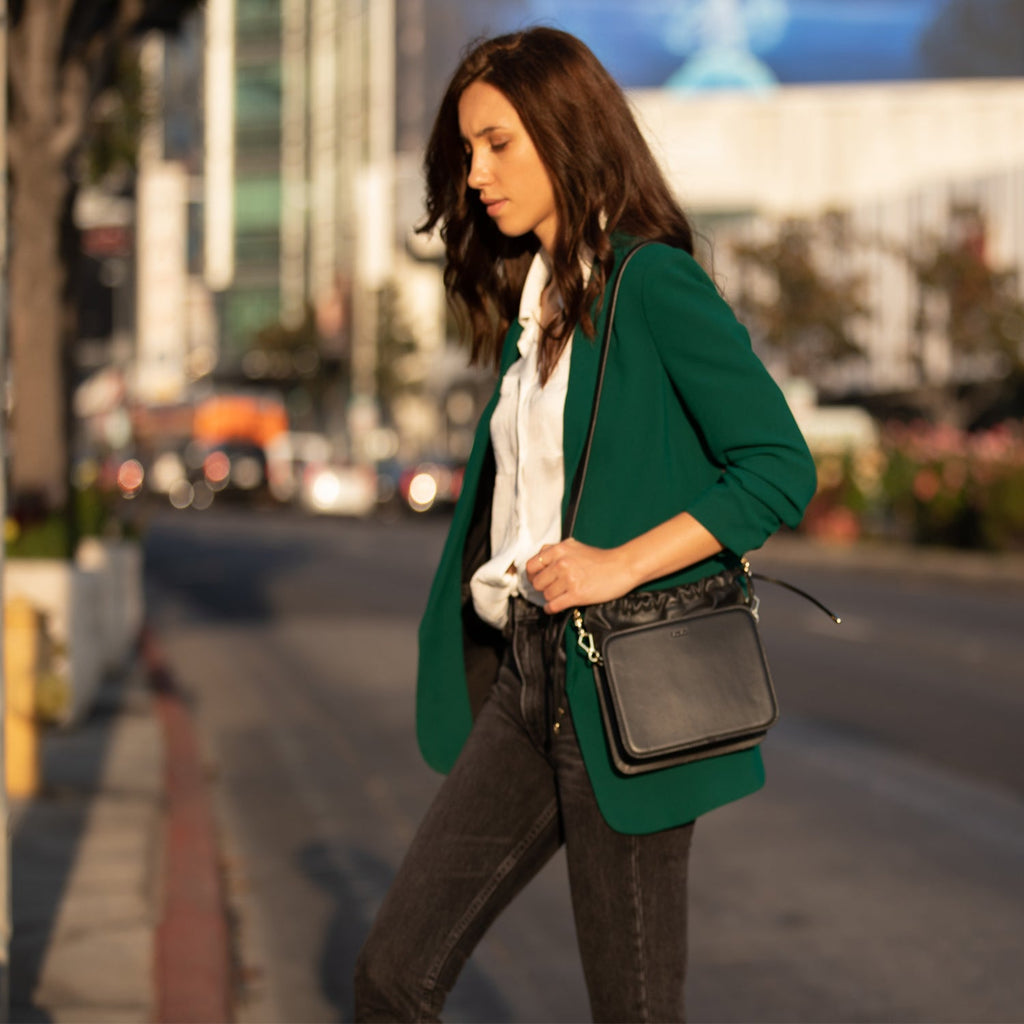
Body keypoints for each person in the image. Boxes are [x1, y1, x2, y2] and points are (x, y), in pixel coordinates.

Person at [354, 26, 816, 1023]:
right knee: (392, 973)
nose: (474, 173)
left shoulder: (650, 283)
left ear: (565, 133)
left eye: (496, 144)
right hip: (527, 682)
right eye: (466, 151)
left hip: (624, 686)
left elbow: (779, 466)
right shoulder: (538, 304)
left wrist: (617, 564)